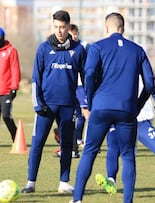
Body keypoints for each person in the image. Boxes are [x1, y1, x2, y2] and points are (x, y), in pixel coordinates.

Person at [71, 12, 155, 203]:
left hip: (101, 107)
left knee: (90, 151)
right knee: (127, 156)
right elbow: (150, 83)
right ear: (123, 29)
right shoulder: (138, 50)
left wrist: (91, 99)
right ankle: (127, 201)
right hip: (127, 110)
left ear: (106, 27)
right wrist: (137, 105)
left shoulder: (97, 46)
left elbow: (90, 72)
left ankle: (77, 199)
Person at [21, 10, 86, 194]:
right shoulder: (43, 48)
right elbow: (36, 78)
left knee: (67, 145)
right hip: (45, 107)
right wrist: (37, 104)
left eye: (62, 27)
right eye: (56, 27)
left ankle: (64, 182)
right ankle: (31, 183)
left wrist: (84, 103)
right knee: (37, 143)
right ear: (53, 26)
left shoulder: (78, 50)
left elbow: (85, 78)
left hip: (68, 106)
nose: (59, 31)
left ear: (68, 27)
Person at [95, 79, 155, 197]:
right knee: (113, 146)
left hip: (141, 121)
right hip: (119, 120)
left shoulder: (141, 72)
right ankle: (111, 181)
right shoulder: (113, 73)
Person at [53, 23, 90, 158]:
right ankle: (73, 146)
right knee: (73, 118)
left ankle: (90, 143)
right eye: (71, 33)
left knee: (86, 114)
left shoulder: (84, 46)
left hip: (82, 87)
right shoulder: (63, 48)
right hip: (70, 88)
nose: (73, 36)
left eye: (75, 34)